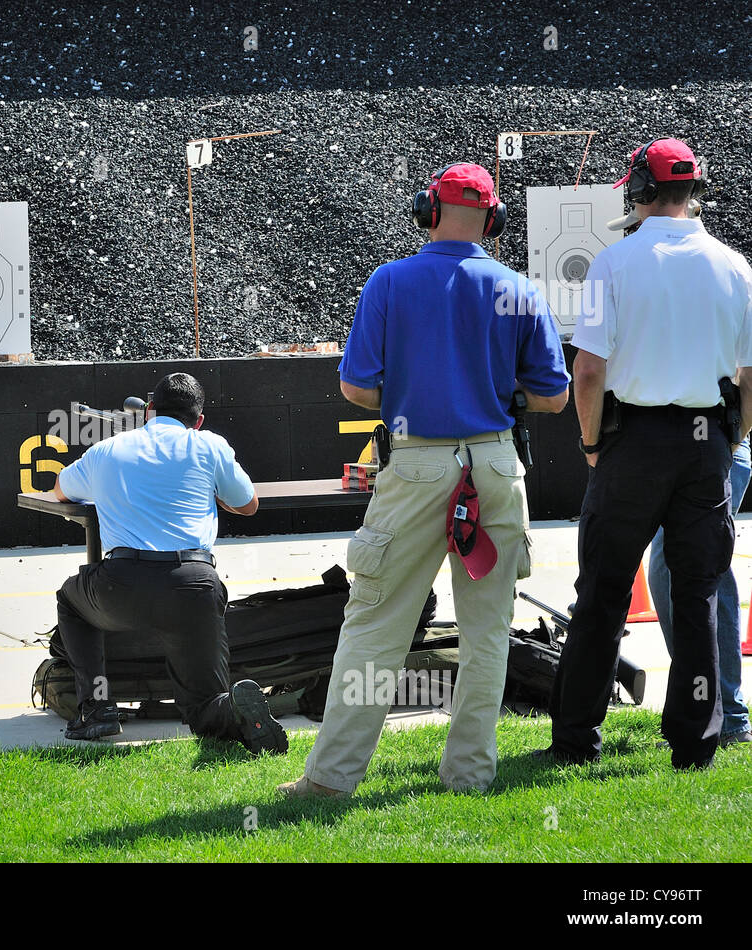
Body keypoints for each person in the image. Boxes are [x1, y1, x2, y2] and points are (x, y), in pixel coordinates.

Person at [279, 162, 569, 798]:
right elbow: (552, 398)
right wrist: (493, 388)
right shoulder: (518, 289)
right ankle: (469, 776)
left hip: (416, 464)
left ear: (428, 210)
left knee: (376, 627)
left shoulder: (390, 280)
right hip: (494, 465)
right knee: (487, 631)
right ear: (492, 220)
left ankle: (331, 780)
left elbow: (358, 386)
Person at [540, 137, 752, 769]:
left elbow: (588, 372)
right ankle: (696, 741)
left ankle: (576, 739)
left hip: (632, 443)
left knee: (602, 596)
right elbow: (750, 373)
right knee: (696, 596)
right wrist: (732, 437)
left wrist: (591, 445)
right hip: (705, 441)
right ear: (696, 190)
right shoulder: (735, 267)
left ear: (639, 189)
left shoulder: (615, 263)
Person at [51, 372, 288, 754]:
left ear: (148, 411)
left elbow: (61, 490)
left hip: (120, 586)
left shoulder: (108, 450)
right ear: (198, 421)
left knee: (71, 599)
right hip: (193, 586)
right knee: (203, 707)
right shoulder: (210, 445)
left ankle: (96, 708)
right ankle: (231, 709)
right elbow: (248, 504)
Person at [631, 199, 751, 748]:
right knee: (683, 574)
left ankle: (723, 711)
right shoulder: (720, 269)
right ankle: (707, 703)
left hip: (711, 440)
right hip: (706, 440)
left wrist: (735, 438)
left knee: (696, 575)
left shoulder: (717, 270)